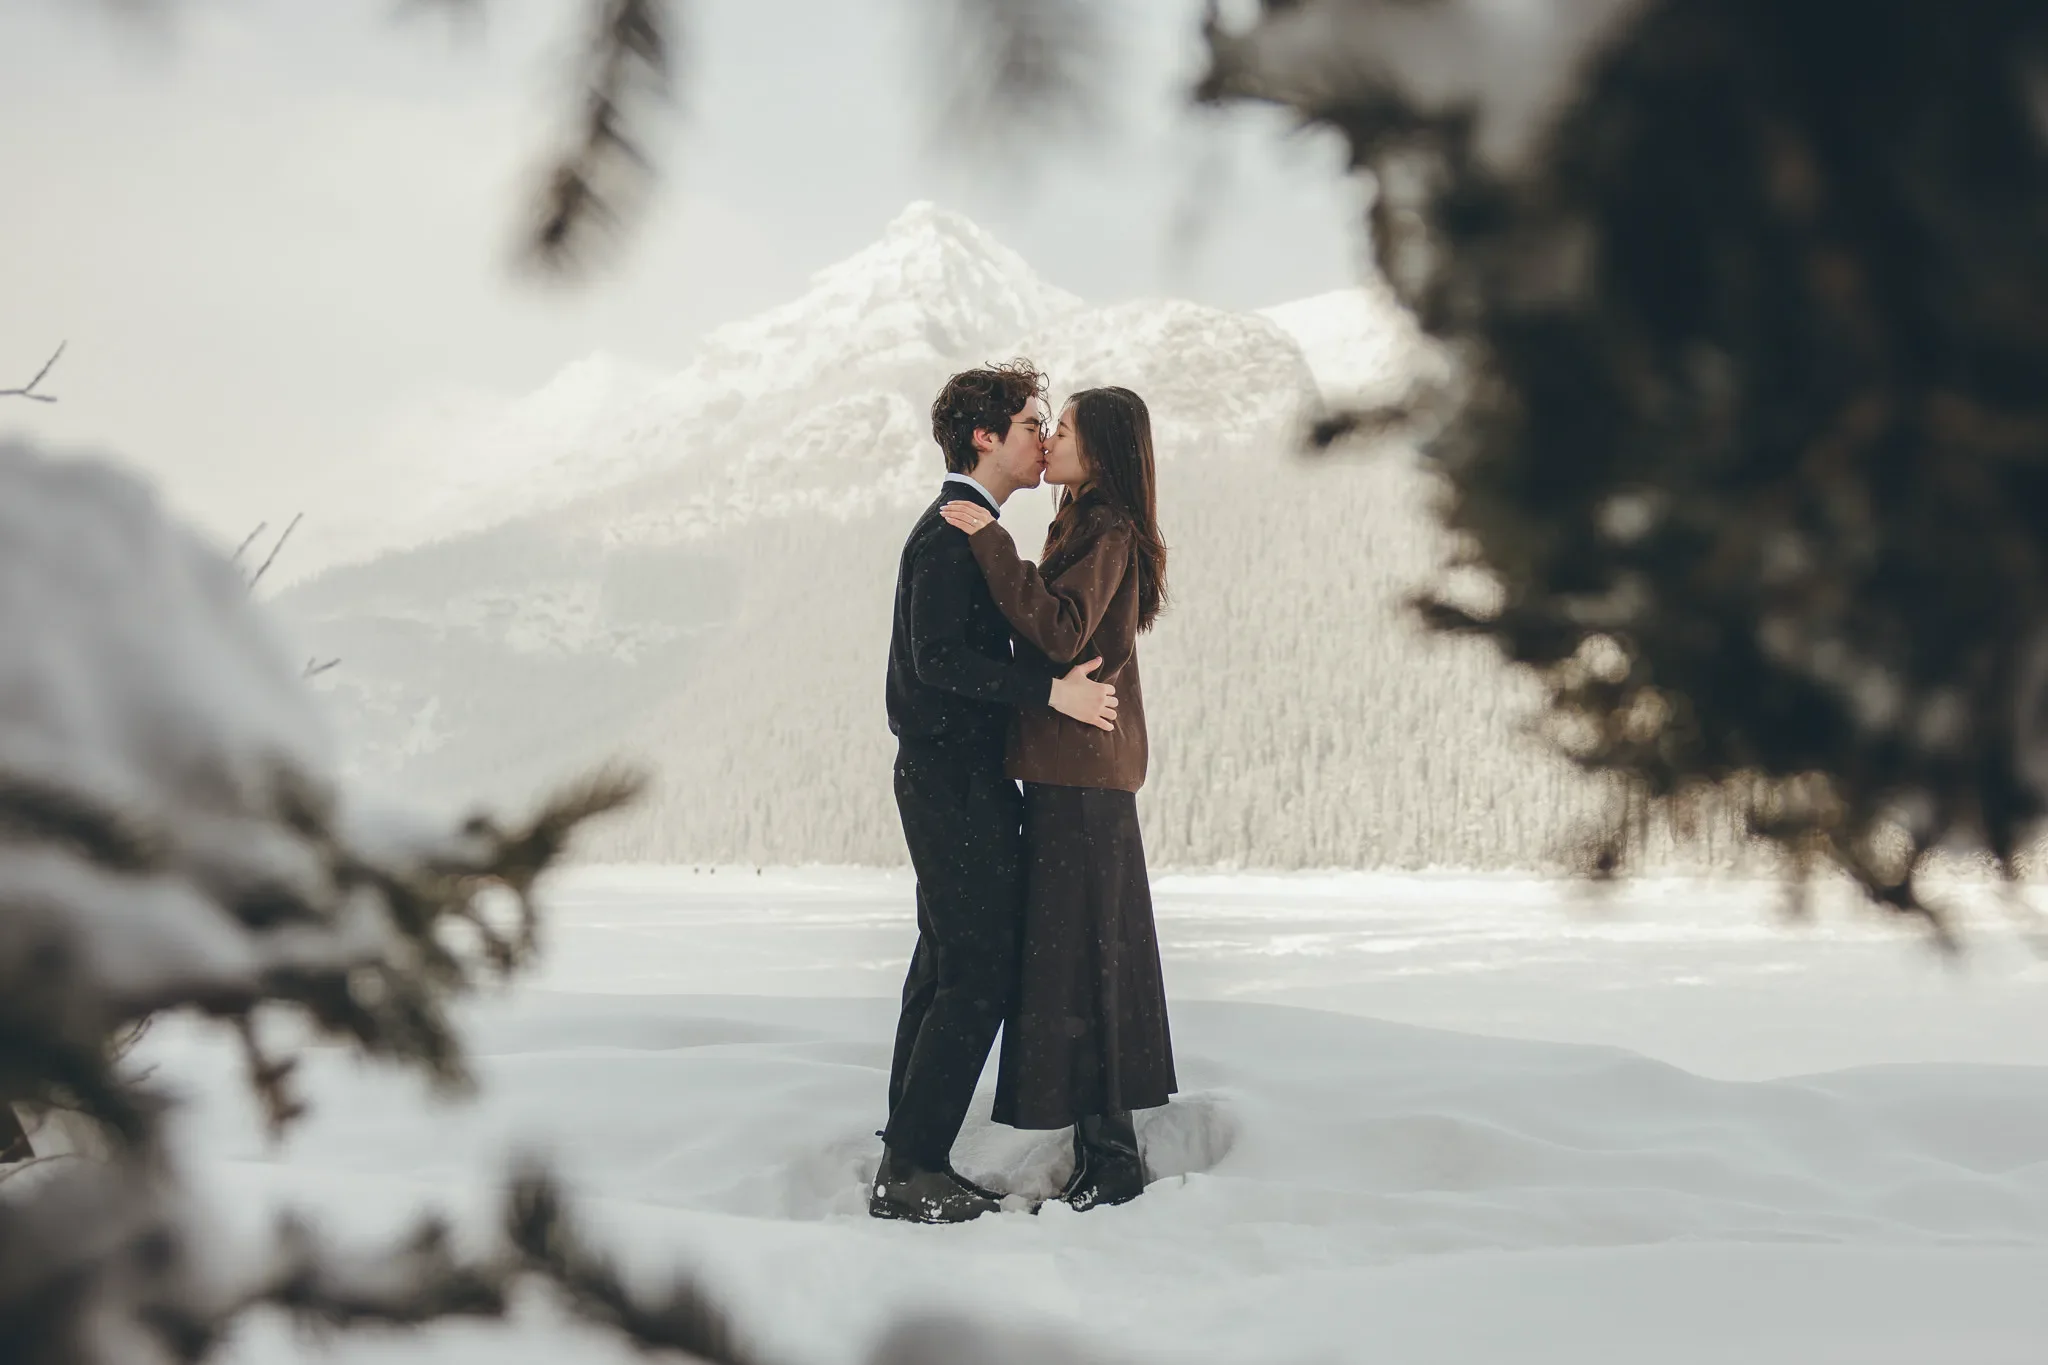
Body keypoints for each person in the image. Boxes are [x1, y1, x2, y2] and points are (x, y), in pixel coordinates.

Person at [874, 360, 1122, 1224]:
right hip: (952, 780)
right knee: (975, 968)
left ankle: (906, 1149)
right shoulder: (950, 534)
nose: (1040, 437)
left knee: (946, 959)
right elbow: (935, 662)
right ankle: (910, 1170)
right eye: (1027, 424)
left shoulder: (969, 527)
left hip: (960, 779)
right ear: (985, 437)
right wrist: (1050, 694)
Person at [938, 385, 1176, 1211]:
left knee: (1088, 959)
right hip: (1072, 770)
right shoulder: (1084, 520)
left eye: (1064, 429)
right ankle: (1099, 1146)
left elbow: (1064, 628)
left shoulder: (1107, 527)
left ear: (1101, 449)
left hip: (1083, 774)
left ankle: (1111, 1157)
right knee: (1081, 957)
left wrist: (993, 548)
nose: (1051, 440)